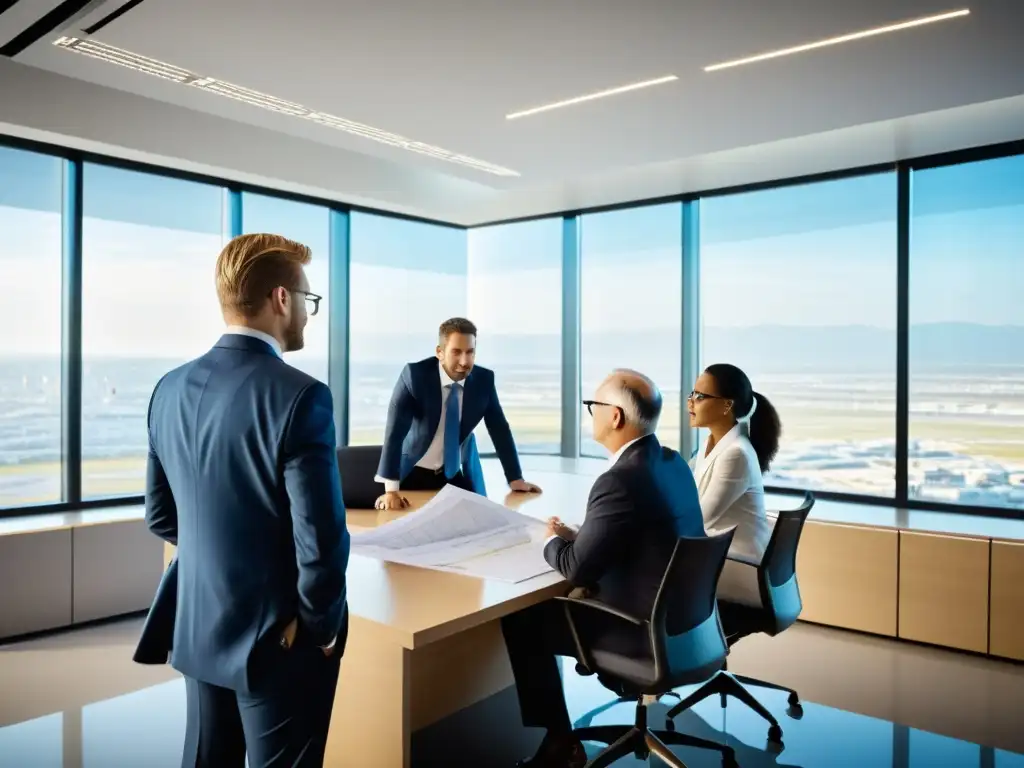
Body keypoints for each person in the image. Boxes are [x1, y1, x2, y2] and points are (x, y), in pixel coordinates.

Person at [143, 233, 350, 768]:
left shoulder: (168, 388)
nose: (308, 312)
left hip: (196, 621)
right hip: (275, 639)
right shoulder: (302, 396)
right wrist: (321, 629)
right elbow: (321, 541)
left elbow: (163, 516)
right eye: (308, 299)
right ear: (282, 299)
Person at [500, 369, 705, 768]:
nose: (589, 413)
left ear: (615, 417)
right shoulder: (670, 462)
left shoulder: (620, 480)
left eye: (594, 405)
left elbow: (576, 569)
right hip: (685, 622)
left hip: (638, 629)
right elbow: (637, 531)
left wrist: (547, 540)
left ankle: (561, 743)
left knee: (523, 617)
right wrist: (579, 534)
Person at [373, 317, 541, 510]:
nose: (464, 361)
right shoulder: (415, 376)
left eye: (470, 352)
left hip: (451, 474)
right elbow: (395, 431)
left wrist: (515, 479)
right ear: (440, 352)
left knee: (480, 518)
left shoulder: (483, 381)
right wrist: (391, 490)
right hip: (411, 472)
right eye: (456, 352)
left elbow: (499, 429)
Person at [687, 362, 782, 607]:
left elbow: (700, 520)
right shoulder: (711, 445)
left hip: (739, 565)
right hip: (720, 556)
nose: (690, 402)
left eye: (700, 396)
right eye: (691, 394)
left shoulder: (736, 453)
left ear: (727, 405)